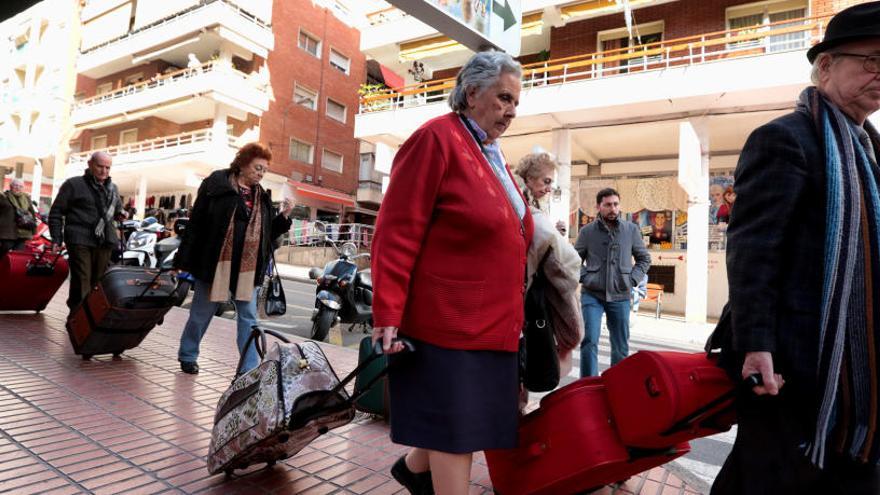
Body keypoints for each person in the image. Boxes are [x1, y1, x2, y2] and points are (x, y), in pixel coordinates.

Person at [713, 3, 880, 493]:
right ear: (825, 65)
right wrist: (756, 345)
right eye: (871, 60)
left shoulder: (869, 151)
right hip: (792, 365)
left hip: (857, 372)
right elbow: (753, 252)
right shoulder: (784, 140)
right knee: (772, 475)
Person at [371, 51, 533, 495]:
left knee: (468, 421)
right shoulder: (436, 140)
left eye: (516, 102)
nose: (511, 111)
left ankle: (412, 469)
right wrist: (387, 310)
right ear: (471, 91)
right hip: (448, 322)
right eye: (504, 98)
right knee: (455, 431)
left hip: (494, 321)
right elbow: (396, 230)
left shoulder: (491, 152)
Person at [173, 142, 292, 376]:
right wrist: (181, 262)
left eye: (264, 170)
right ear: (243, 163)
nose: (261, 173)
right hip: (215, 265)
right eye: (258, 168)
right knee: (201, 314)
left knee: (248, 319)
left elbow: (268, 232)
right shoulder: (216, 185)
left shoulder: (261, 197)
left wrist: (285, 217)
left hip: (247, 270)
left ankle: (247, 369)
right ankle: (188, 355)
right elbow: (196, 225)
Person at [515, 152, 583, 377]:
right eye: (546, 181)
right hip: (523, 295)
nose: (548, 188)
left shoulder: (523, 205)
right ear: (529, 179)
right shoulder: (528, 210)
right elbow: (566, 261)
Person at [574, 188, 651, 377]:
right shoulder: (587, 231)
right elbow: (574, 261)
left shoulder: (631, 230)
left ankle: (618, 384)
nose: (613, 208)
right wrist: (586, 277)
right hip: (592, 294)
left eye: (616, 204)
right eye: (608, 205)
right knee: (589, 340)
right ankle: (588, 384)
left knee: (620, 344)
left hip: (620, 295)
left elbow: (644, 259)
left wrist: (632, 279)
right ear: (598, 206)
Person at [49, 151, 125, 312]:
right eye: (100, 166)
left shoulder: (113, 188)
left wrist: (121, 214)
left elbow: (117, 210)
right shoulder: (73, 184)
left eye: (107, 167)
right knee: (82, 279)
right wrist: (56, 238)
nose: (104, 171)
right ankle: (78, 319)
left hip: (105, 240)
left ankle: (90, 318)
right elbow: (56, 212)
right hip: (79, 238)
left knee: (98, 283)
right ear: (90, 164)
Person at [1, 179, 36, 256]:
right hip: (7, 232)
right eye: (16, 185)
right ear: (11, 186)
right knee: (5, 250)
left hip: (23, 232)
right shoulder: (3, 197)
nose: (18, 188)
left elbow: (32, 213)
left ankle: (11, 268)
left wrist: (34, 230)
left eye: (20, 186)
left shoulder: (26, 198)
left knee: (18, 254)